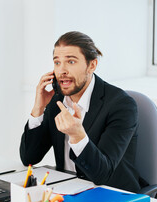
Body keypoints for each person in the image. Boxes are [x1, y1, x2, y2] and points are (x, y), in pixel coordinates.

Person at [19, 31, 148, 193]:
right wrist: (38, 109)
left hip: (111, 194)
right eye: (57, 62)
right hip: (67, 190)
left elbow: (102, 175)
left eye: (71, 61)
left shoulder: (121, 105)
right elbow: (29, 158)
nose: (62, 70)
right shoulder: (57, 99)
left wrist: (78, 136)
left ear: (91, 65)